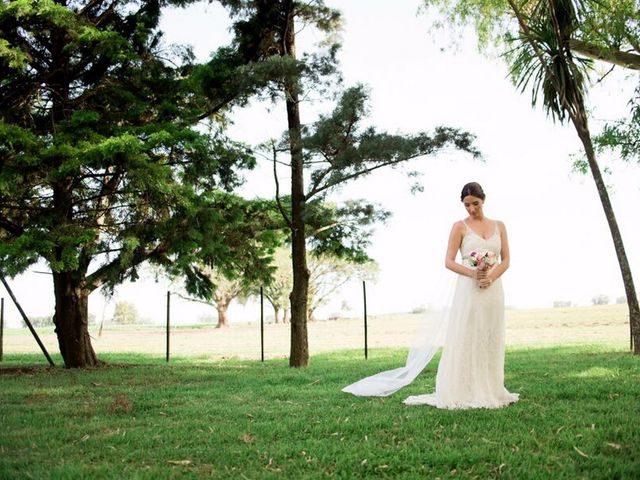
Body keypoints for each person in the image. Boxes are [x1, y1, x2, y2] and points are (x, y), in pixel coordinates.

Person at [342, 182, 519, 409]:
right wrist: (474, 274)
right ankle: (464, 389)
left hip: (493, 289)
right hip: (469, 289)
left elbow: (506, 260)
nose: (472, 209)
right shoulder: (459, 227)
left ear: (483, 199)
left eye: (475, 203)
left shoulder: (499, 226)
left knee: (490, 335)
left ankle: (491, 388)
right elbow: (448, 261)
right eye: (467, 205)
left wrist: (491, 277)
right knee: (468, 335)